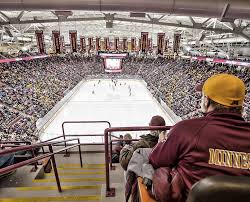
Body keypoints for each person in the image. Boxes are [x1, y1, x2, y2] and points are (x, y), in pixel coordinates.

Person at [149, 74, 250, 201]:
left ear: (206, 100)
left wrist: (160, 143)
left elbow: (156, 160)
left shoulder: (186, 129)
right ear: (241, 104)